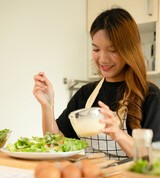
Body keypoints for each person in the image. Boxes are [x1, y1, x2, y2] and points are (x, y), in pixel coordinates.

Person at [33, 8, 160, 160]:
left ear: (129, 50)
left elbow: (153, 159)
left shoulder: (150, 94)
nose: (103, 59)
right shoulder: (86, 94)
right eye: (96, 49)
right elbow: (55, 144)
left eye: (112, 50)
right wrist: (47, 105)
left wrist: (117, 133)